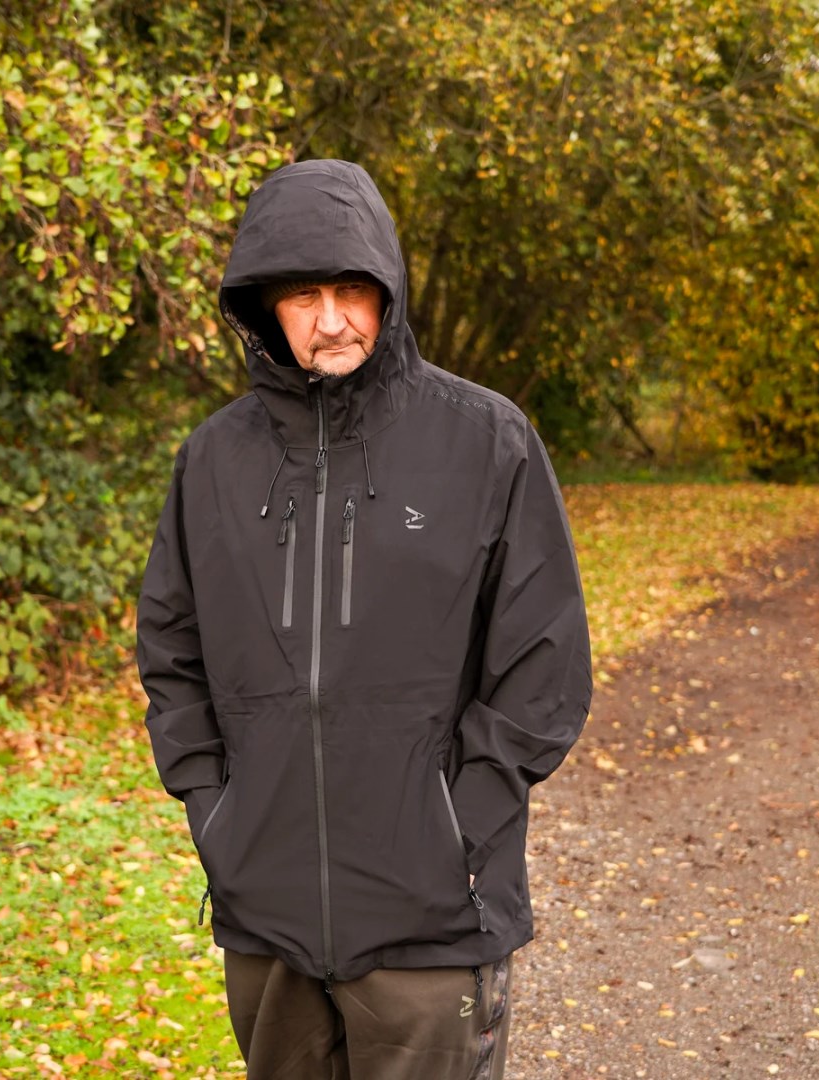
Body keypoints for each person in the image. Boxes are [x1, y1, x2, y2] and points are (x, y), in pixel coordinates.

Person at [136, 158, 593, 1080]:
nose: (332, 319)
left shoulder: (486, 442)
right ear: (263, 307)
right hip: (267, 918)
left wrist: (461, 826)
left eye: (351, 290)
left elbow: (544, 663)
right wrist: (214, 814)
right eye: (303, 295)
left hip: (433, 918)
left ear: (388, 292)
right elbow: (172, 652)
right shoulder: (213, 461)